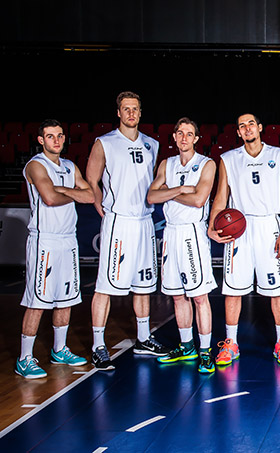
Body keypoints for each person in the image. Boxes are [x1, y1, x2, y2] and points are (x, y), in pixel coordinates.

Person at [85, 91, 168, 370]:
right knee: (105, 286)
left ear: (140, 113)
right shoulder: (105, 143)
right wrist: (100, 206)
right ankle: (98, 345)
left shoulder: (152, 144)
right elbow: (91, 180)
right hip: (118, 221)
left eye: (135, 108)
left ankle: (143, 338)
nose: (131, 113)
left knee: (143, 285)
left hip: (144, 221)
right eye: (126, 109)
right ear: (118, 113)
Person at [208, 113, 280, 366]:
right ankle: (231, 343)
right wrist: (213, 225)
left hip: (270, 225)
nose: (247, 128)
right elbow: (221, 197)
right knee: (233, 289)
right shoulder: (229, 159)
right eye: (242, 126)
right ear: (238, 132)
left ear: (260, 127)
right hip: (239, 229)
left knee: (277, 290)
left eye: (251, 124)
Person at [15, 120, 94, 379]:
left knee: (67, 298)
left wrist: (61, 188)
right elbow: (48, 199)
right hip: (44, 239)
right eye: (50, 137)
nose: (56, 141)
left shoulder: (70, 166)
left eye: (60, 136)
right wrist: (73, 192)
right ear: (41, 140)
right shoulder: (36, 165)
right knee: (38, 301)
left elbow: (91, 195)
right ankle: (25, 358)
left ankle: (59, 349)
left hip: (68, 239)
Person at [146, 117, 218, 373]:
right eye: (180, 133)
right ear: (174, 137)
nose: (184, 137)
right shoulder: (167, 163)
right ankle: (186, 346)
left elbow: (199, 199)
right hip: (171, 234)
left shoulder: (207, 164)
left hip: (192, 234)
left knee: (199, 296)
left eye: (190, 133)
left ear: (196, 138)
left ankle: (206, 351)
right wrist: (180, 189)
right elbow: (152, 196)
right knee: (177, 295)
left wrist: (170, 191)